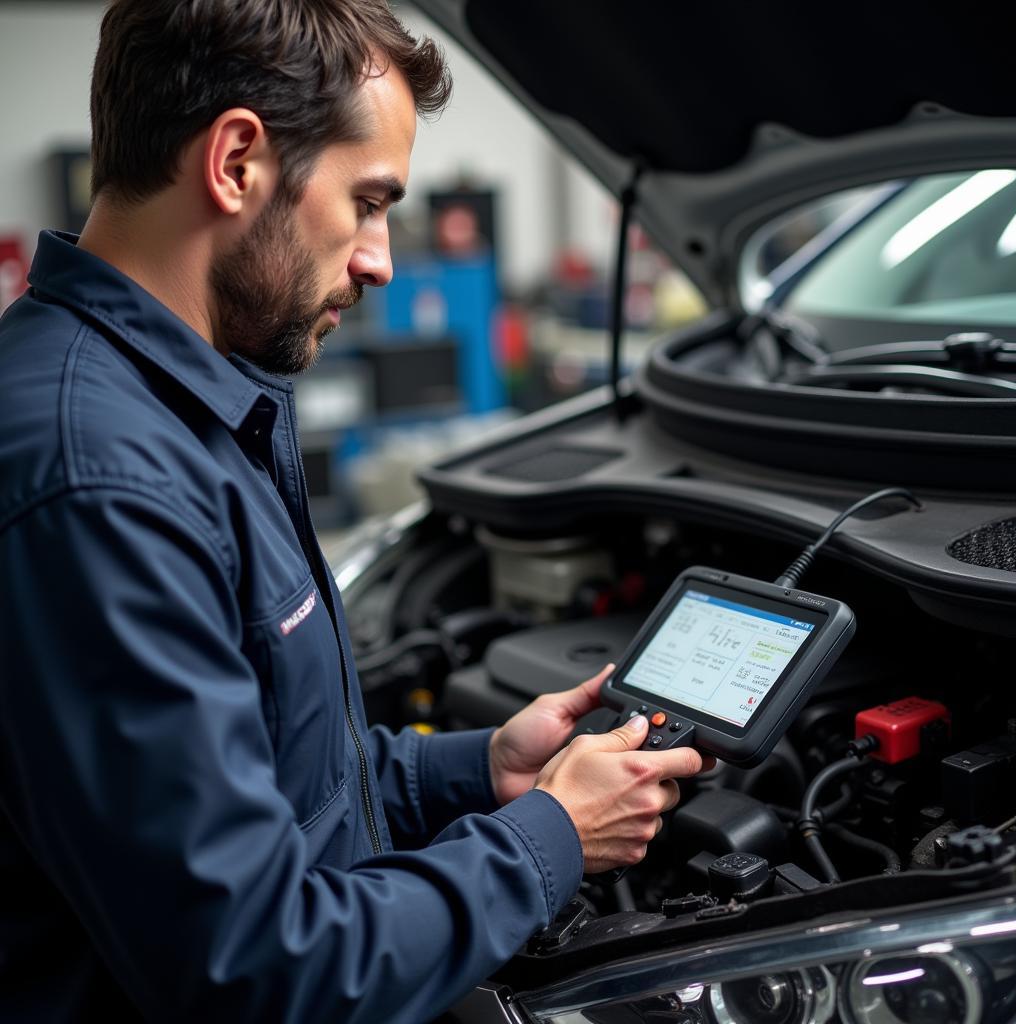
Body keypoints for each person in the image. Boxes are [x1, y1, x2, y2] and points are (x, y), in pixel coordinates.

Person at [0, 3, 711, 1021]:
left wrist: (474, 772)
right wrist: (550, 835)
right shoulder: (100, 480)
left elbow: (267, 770)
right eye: (368, 202)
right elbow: (257, 969)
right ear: (237, 160)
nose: (380, 259)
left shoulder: (187, 401)